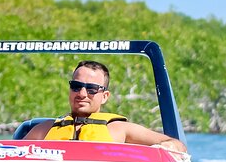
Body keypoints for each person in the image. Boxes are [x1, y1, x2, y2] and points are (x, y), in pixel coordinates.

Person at [24, 60, 187, 153]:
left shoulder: (120, 130)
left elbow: (177, 145)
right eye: (76, 86)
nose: (82, 93)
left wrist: (169, 146)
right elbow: (8, 154)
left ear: (105, 96)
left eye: (91, 89)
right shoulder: (43, 130)